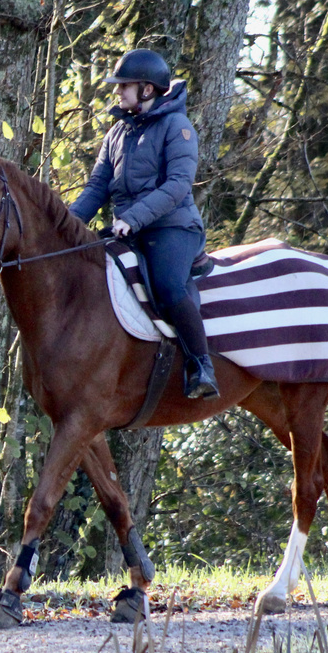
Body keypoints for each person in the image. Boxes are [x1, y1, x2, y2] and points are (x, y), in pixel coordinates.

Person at [69, 49, 219, 400]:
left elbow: (178, 185)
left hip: (172, 228)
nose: (117, 93)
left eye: (124, 86)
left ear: (147, 90)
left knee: (167, 286)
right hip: (129, 229)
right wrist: (66, 226)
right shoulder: (116, 134)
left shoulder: (177, 127)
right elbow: (96, 188)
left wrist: (131, 220)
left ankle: (201, 366)